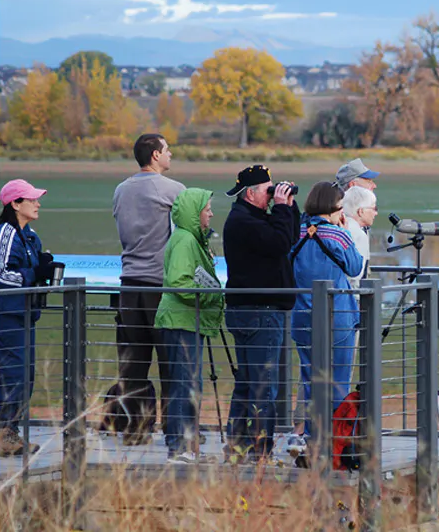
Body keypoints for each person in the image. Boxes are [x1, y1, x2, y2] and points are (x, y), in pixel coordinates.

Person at [107, 133, 183, 443]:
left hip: (128, 285)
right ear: (154, 155)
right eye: (166, 150)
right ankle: (174, 430)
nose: (170, 154)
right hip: (160, 287)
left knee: (133, 363)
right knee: (171, 361)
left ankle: (136, 429)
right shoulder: (173, 190)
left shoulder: (121, 190)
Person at [219, 165, 298, 462]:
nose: (271, 196)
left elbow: (288, 239)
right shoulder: (243, 222)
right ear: (250, 194)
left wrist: (287, 206)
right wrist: (279, 208)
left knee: (249, 383)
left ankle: (238, 447)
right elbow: (279, 243)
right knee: (264, 386)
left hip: (254, 310)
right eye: (268, 190)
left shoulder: (249, 218)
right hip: (258, 312)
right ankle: (259, 452)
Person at [287, 182, 366, 457]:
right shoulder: (338, 235)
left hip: (303, 317)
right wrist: (345, 230)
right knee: (338, 382)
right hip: (338, 319)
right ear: (333, 208)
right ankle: (336, 442)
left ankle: (311, 438)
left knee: (310, 380)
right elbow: (356, 266)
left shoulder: (295, 233)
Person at [155, 187, 226, 464]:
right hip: (181, 322)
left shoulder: (190, 239)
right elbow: (181, 283)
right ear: (194, 214)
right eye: (207, 209)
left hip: (185, 322)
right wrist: (212, 295)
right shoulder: (185, 240)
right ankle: (180, 449)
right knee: (185, 386)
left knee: (187, 385)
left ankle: (188, 448)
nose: (211, 213)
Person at [0, 180, 56, 456]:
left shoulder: (31, 237)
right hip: (8, 315)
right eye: (31, 200)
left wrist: (46, 269)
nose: (37, 203)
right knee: (12, 374)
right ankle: (2, 432)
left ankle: (10, 431)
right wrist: (34, 274)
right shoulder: (5, 234)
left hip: (26, 315)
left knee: (26, 376)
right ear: (15, 204)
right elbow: (0, 276)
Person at [336, 185, 380, 266]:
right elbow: (355, 275)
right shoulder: (359, 235)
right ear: (361, 211)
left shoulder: (335, 228)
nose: (376, 213)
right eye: (374, 208)